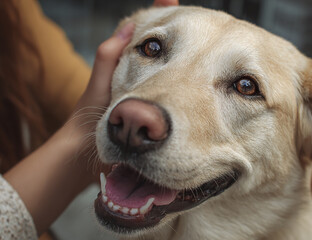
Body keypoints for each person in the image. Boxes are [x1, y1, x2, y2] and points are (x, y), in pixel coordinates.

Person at [0, 0, 179, 239]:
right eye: (153, 48)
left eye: (245, 87)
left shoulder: (12, 10)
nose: (139, 119)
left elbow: (67, 84)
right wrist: (81, 137)